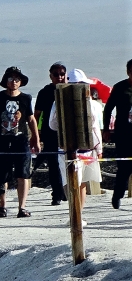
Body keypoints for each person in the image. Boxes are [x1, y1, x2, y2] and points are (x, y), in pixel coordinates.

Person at [0, 66, 40, 218]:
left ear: (21, 82)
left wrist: (36, 138)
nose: (14, 81)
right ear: (6, 81)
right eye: (11, 78)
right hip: (3, 141)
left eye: (17, 79)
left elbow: (30, 119)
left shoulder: (26, 98)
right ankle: (2, 206)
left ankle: (22, 207)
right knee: (2, 173)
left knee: (23, 173)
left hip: (21, 141)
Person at [49, 69, 105, 212]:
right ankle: (76, 213)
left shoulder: (59, 101)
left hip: (70, 148)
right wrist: (99, 149)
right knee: (78, 182)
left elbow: (52, 124)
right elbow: (95, 127)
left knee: (72, 181)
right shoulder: (91, 104)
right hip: (85, 148)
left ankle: (76, 213)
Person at [33, 62, 68, 206]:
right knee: (53, 164)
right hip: (50, 132)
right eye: (56, 74)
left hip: (68, 132)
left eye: (62, 74)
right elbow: (36, 115)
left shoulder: (70, 90)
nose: (59, 77)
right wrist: (36, 135)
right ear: (50, 76)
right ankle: (57, 194)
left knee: (69, 162)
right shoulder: (45, 92)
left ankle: (67, 191)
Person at [104, 59, 132, 208]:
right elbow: (108, 109)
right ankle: (117, 195)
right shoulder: (120, 87)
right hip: (124, 133)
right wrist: (106, 129)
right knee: (124, 167)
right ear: (128, 72)